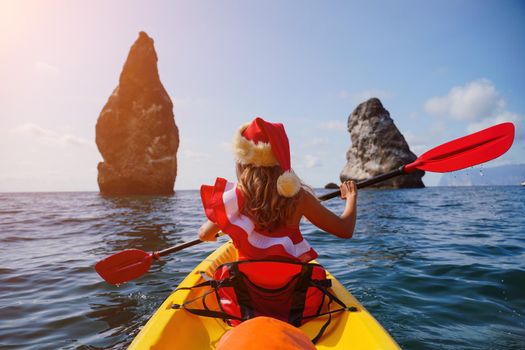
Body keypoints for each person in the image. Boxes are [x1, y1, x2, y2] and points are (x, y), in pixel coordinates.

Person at [198, 117, 357, 262]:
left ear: (243, 161)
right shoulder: (299, 197)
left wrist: (222, 229)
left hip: (247, 287)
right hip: (287, 286)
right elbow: (345, 230)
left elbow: (204, 234)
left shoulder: (235, 196)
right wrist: (351, 196)